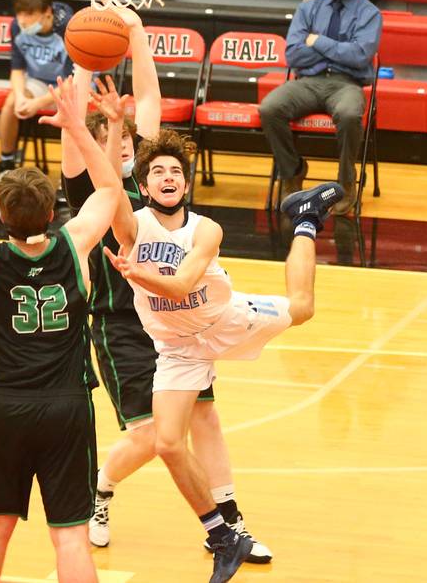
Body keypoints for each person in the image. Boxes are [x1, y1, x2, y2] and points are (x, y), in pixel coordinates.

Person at [62, 10, 272, 564]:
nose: (127, 145)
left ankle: (228, 522)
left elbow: (148, 100)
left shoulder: (153, 175)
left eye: (132, 139)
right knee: (155, 436)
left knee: (205, 417)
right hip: (121, 322)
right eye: (116, 137)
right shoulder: (87, 177)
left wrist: (133, 34)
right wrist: (85, 61)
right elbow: (80, 122)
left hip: (177, 317)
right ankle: (99, 490)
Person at [104, 126, 344, 582]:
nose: (168, 176)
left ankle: (307, 217)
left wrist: (137, 274)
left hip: (227, 322)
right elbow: (108, 185)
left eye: (176, 170)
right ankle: (222, 536)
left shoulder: (205, 229)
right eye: (157, 171)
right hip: (178, 349)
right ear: (144, 185)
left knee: (304, 307)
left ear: (187, 184)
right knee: (168, 443)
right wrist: (113, 126)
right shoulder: (133, 227)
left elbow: (178, 285)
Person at [0, 76, 120, 583]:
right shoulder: (74, 245)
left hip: (7, 406)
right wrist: (77, 129)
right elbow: (110, 190)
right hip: (67, 406)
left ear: (0, 212)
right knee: (71, 536)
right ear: (53, 212)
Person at [260, 0, 382, 216]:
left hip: (347, 84)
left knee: (350, 114)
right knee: (269, 108)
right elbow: (293, 54)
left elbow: (360, 56)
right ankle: (293, 171)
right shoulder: (308, 8)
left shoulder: (369, 13)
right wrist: (336, 52)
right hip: (308, 82)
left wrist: (317, 42)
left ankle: (346, 183)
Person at [0, 0, 73, 181]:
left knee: (74, 113)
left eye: (29, 14)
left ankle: (71, 175)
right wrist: (21, 97)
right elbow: (17, 70)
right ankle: (6, 163)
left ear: (47, 11)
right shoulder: (16, 27)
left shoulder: (68, 28)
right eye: (20, 13)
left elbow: (72, 81)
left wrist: (38, 103)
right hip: (39, 80)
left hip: (73, 84)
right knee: (12, 102)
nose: (22, 20)